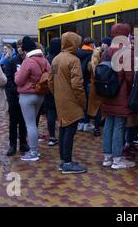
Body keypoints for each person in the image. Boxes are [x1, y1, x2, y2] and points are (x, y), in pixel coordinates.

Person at [48, 32, 87, 174]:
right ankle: (68, 163)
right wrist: (83, 102)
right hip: (72, 101)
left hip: (60, 100)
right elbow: (77, 84)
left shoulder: (56, 60)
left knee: (63, 130)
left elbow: (50, 81)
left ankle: (64, 160)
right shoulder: (74, 60)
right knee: (69, 131)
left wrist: (57, 93)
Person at [101, 23, 136, 170]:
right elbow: (130, 77)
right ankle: (117, 159)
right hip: (121, 94)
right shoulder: (127, 51)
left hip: (107, 93)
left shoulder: (107, 51)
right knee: (119, 125)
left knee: (109, 123)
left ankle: (107, 157)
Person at [15, 36, 51, 162]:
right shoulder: (44, 60)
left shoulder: (27, 61)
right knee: (33, 123)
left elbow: (19, 81)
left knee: (30, 125)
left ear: (25, 49)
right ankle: (35, 150)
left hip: (27, 95)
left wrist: (16, 73)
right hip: (40, 94)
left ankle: (34, 151)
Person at [5, 39, 30, 156]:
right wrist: (16, 91)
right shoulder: (11, 61)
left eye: (22, 46)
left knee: (24, 120)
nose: (20, 48)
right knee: (13, 121)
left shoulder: (28, 61)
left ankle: (23, 142)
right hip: (14, 97)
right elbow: (8, 80)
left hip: (26, 96)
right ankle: (12, 145)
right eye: (18, 46)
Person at [76, 37, 95, 132]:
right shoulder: (91, 54)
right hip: (87, 81)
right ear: (91, 44)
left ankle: (80, 123)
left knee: (80, 102)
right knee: (87, 103)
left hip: (78, 81)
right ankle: (86, 123)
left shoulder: (77, 53)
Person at [44, 38, 61, 146]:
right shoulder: (57, 59)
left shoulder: (47, 58)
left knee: (50, 112)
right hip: (57, 89)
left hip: (47, 89)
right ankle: (59, 136)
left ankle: (51, 136)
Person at [87, 47, 103, 137]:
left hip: (93, 88)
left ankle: (96, 127)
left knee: (95, 108)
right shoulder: (101, 64)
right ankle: (97, 127)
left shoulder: (91, 64)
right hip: (101, 87)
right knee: (100, 108)